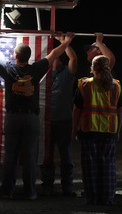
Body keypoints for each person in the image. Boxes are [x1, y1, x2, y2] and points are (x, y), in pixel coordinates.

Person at [0, 29, 75, 200]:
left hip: (13, 118)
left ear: (15, 56)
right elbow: (53, 54)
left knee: (10, 156)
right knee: (29, 157)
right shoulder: (36, 69)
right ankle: (30, 192)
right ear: (28, 57)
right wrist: (66, 42)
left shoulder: (9, 68)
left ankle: (7, 191)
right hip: (31, 119)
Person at [71, 55, 122, 205]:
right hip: (109, 131)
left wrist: (74, 129)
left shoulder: (85, 85)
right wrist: (118, 130)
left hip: (89, 131)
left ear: (93, 68)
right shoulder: (116, 85)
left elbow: (77, 109)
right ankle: (107, 198)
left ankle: (92, 198)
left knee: (90, 167)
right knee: (107, 165)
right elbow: (120, 110)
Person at [40, 36, 78, 197]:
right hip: (47, 120)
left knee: (66, 156)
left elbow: (74, 58)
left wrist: (65, 42)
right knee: (46, 155)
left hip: (63, 120)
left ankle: (67, 186)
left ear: (58, 58)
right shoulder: (44, 73)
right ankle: (47, 185)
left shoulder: (66, 73)